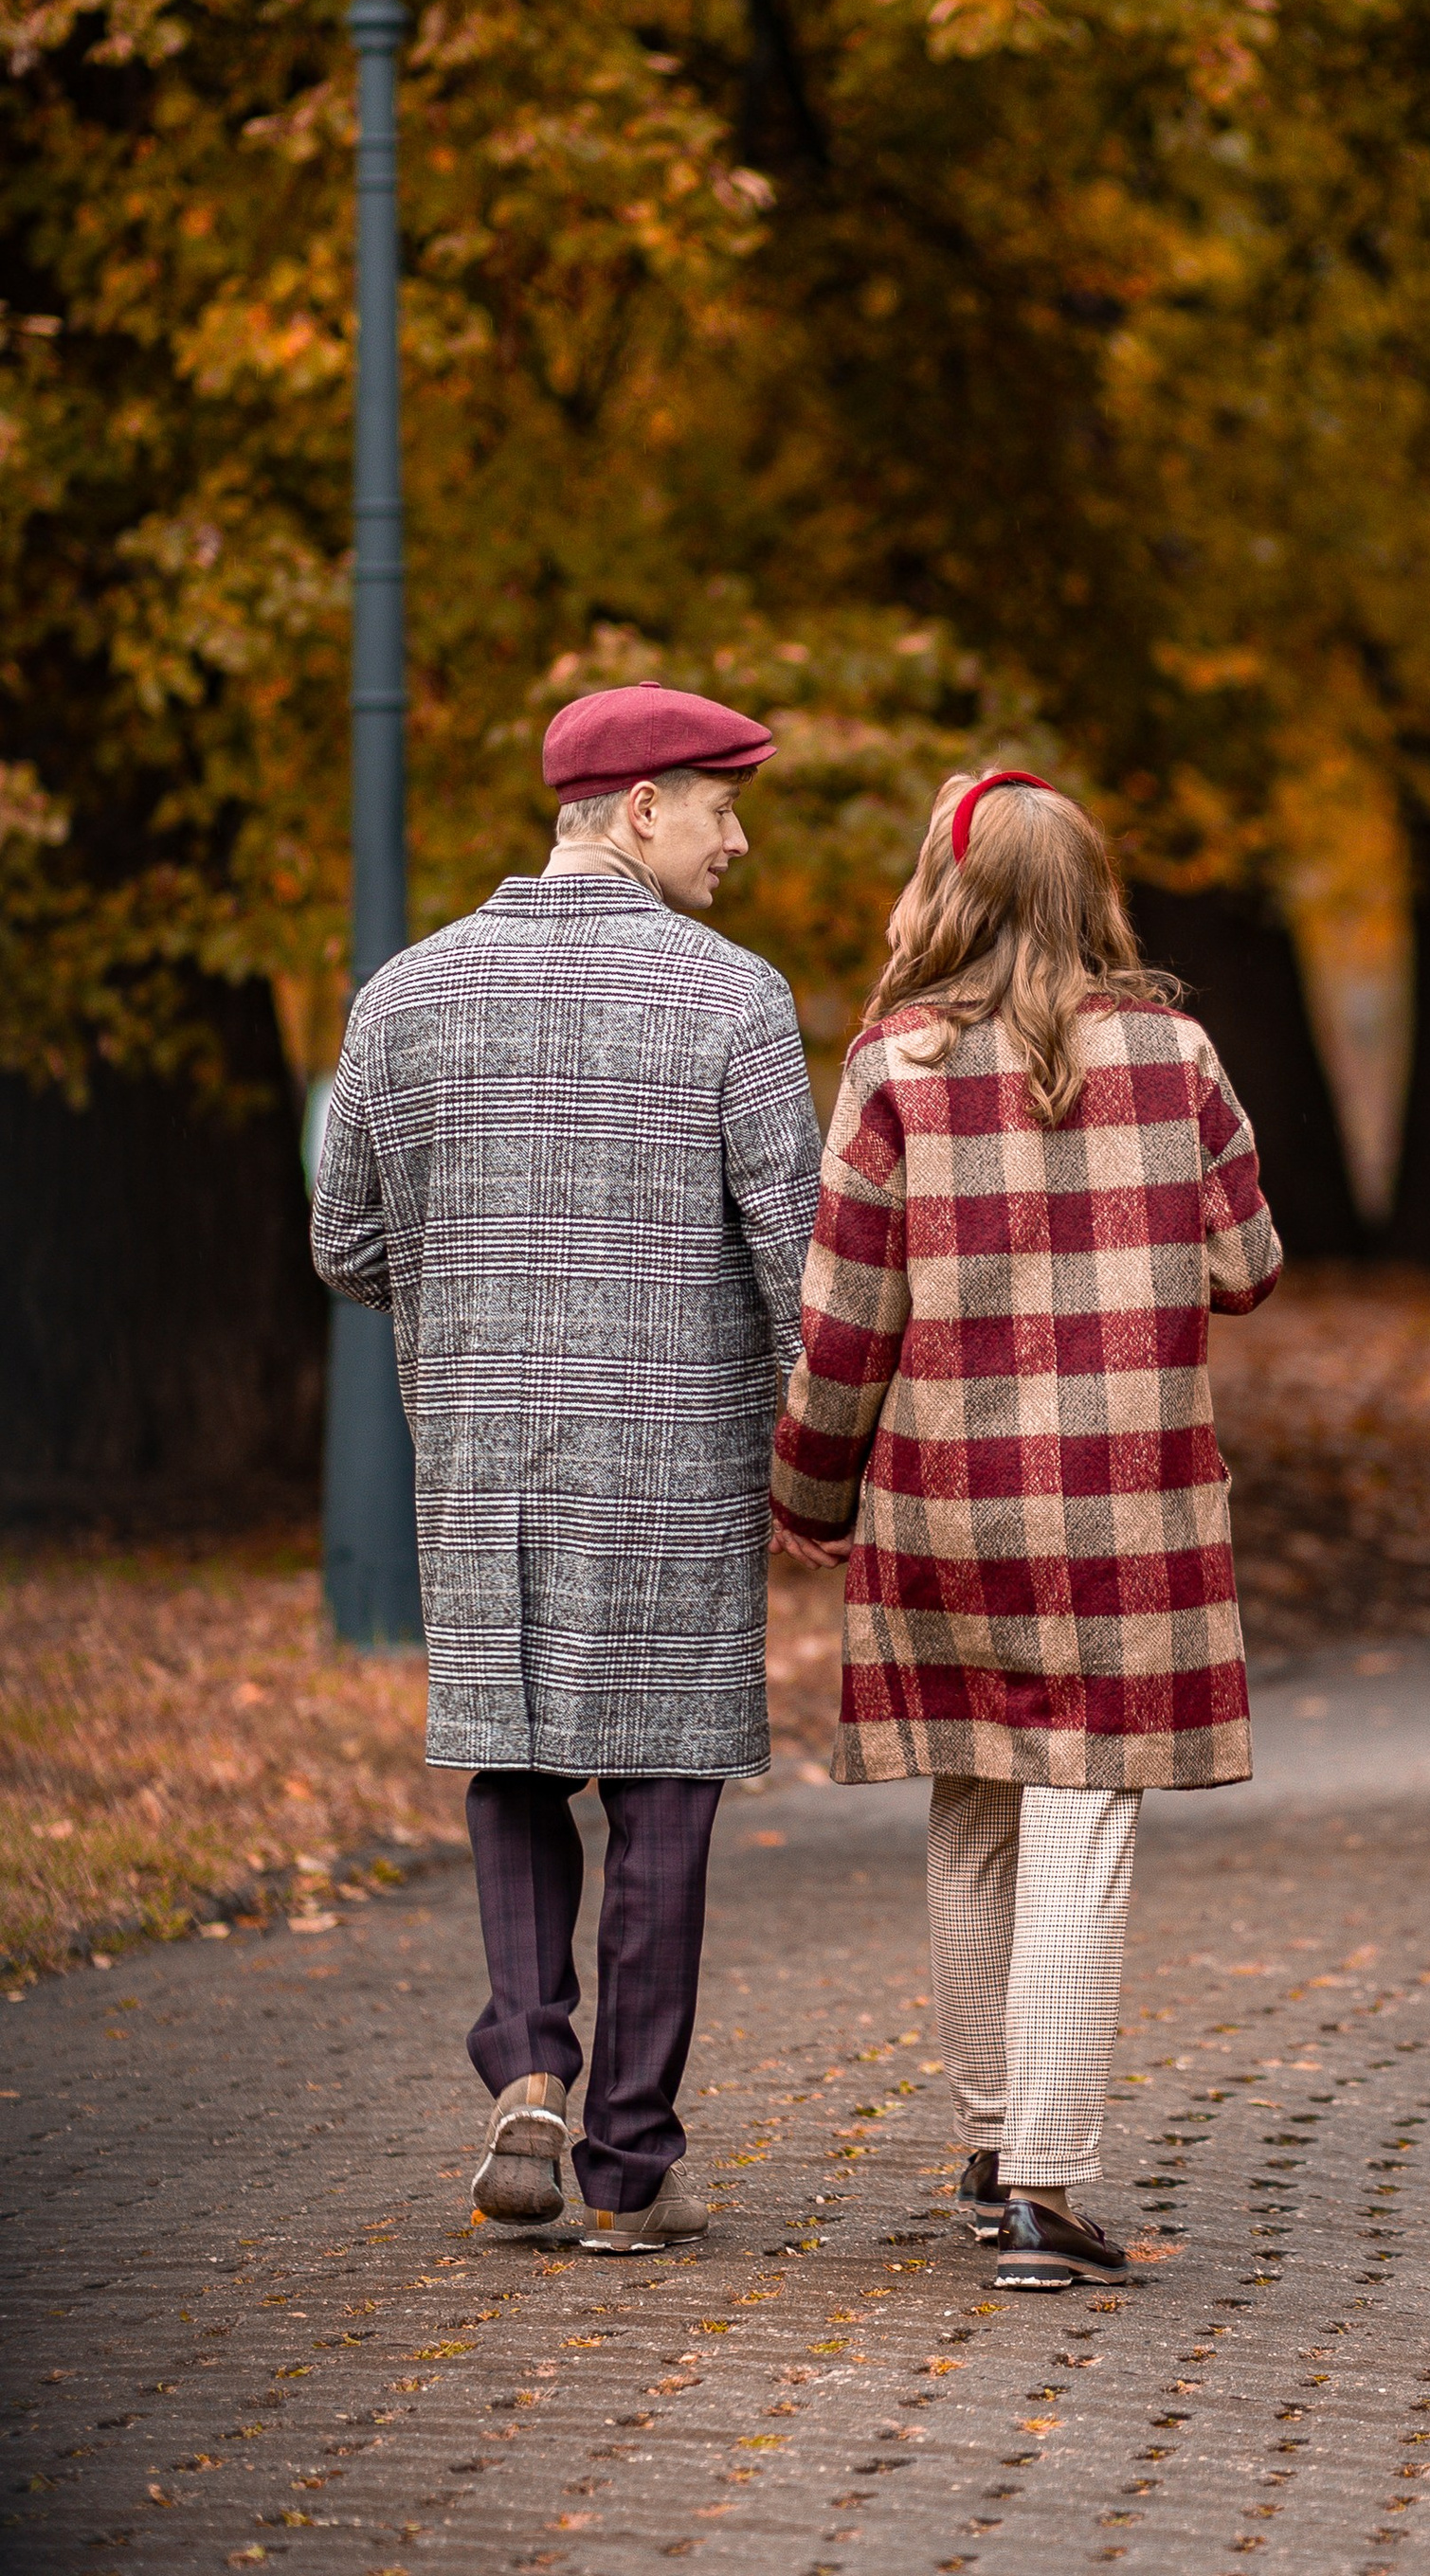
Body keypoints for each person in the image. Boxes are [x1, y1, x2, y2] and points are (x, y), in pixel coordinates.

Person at [312, 681, 823, 2254]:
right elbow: (798, 1253)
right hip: (673, 1450)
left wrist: (478, 1297)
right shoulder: (737, 1000)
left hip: (481, 1448)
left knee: (516, 1760)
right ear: (641, 807)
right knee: (664, 1790)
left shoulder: (402, 996)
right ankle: (625, 2168)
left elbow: (343, 1242)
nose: (737, 839)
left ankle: (530, 2061)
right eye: (720, 806)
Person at [769, 766, 1281, 2288]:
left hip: (945, 1509)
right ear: (1091, 893)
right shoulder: (1178, 1055)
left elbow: (843, 1316)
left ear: (951, 893)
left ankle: (996, 2144)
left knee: (976, 1815)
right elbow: (1247, 1261)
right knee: (1083, 1824)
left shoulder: (895, 1067)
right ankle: (1049, 2183)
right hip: (1124, 1512)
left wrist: (807, 1489)